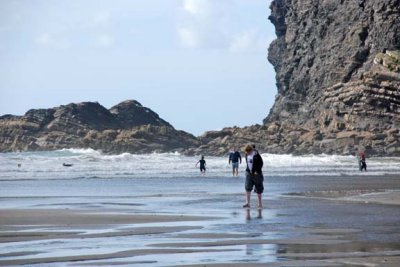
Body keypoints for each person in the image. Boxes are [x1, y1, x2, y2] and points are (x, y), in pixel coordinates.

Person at [243, 144, 264, 209]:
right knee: (247, 188)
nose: (247, 153)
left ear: (251, 150)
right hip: (249, 173)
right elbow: (248, 163)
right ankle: (247, 203)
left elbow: (261, 164)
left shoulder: (257, 155)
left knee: (259, 189)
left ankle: (260, 204)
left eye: (248, 151)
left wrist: (256, 171)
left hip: (257, 174)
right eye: (246, 152)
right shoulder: (247, 154)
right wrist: (248, 171)